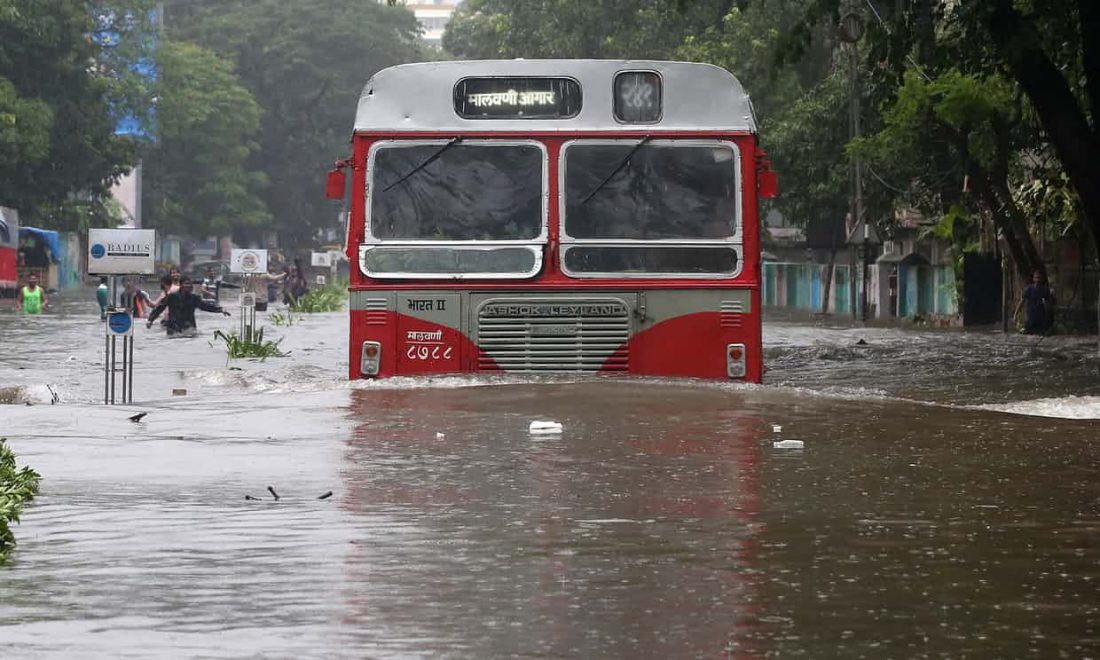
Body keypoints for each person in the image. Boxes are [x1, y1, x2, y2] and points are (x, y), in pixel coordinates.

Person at [146, 276, 230, 337]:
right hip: (173, 328)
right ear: (181, 284)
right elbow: (160, 308)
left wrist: (220, 310)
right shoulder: (171, 296)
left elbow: (205, 306)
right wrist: (150, 320)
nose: (189, 286)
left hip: (189, 328)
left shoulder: (194, 298)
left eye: (190, 284)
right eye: (186, 284)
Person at [1014, 269, 1055, 335]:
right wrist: (1015, 314)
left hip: (1041, 317)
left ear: (1042, 279)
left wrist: (1047, 307)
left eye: (1039, 278)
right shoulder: (1028, 289)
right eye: (1036, 278)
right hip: (1031, 317)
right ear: (1033, 279)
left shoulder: (1044, 290)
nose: (1037, 280)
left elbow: (1048, 305)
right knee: (1026, 331)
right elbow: (1021, 302)